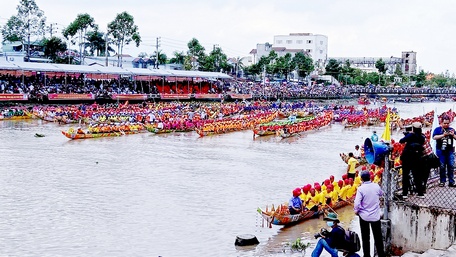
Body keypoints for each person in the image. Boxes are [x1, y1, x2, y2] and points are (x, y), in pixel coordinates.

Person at [354, 170, 386, 257]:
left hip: (364, 216)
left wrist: (357, 212)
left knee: (365, 238)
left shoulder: (360, 189)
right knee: (378, 238)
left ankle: (367, 255)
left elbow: (357, 204)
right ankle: (381, 255)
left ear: (361, 179)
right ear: (370, 177)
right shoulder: (376, 186)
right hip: (375, 216)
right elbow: (382, 194)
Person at [399, 122, 425, 198]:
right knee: (417, 176)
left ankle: (405, 194)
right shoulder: (422, 137)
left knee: (405, 176)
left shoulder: (410, 135)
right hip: (417, 158)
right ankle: (420, 193)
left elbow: (401, 141)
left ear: (413, 128)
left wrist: (407, 135)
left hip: (407, 158)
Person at [432, 116, 456, 187]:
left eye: (448, 123)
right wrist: (443, 135)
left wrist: (453, 135)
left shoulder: (452, 129)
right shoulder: (437, 129)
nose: (446, 125)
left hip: (450, 151)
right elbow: (434, 137)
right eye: (445, 123)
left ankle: (451, 181)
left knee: (451, 166)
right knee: (442, 166)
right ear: (441, 122)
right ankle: (442, 181)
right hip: (440, 151)